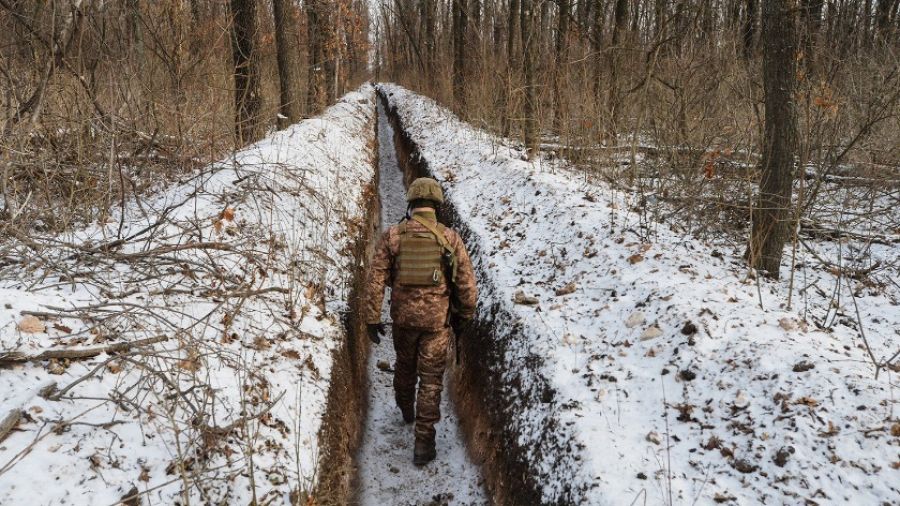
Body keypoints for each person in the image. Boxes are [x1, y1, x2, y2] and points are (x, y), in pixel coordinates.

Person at [364, 177, 478, 466]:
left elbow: (375, 279)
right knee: (430, 381)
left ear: (411, 203)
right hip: (436, 325)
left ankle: (405, 408)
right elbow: (466, 286)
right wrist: (464, 317)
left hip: (403, 321)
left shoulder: (393, 236)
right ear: (436, 205)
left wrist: (371, 318)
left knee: (404, 366)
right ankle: (423, 442)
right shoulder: (449, 238)